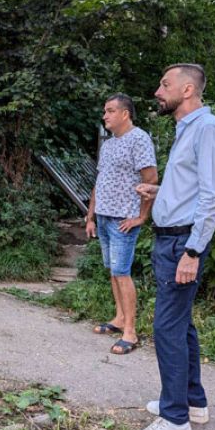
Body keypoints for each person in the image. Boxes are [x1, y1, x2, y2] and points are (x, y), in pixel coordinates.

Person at [131, 64, 215, 430]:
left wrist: (193, 249)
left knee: (167, 328)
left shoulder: (208, 128)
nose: (158, 90)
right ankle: (192, 402)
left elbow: (212, 197)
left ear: (187, 90)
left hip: (181, 245)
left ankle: (174, 421)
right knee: (181, 325)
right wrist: (160, 194)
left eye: (165, 84)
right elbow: (191, 187)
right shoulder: (186, 129)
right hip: (171, 239)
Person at [85, 94, 158, 355]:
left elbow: (151, 179)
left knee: (122, 271)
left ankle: (131, 331)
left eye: (110, 110)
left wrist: (141, 216)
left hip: (123, 219)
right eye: (105, 111)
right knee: (112, 270)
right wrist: (91, 216)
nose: (105, 115)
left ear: (125, 114)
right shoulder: (109, 144)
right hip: (104, 216)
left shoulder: (139, 139)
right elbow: (100, 181)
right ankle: (118, 319)